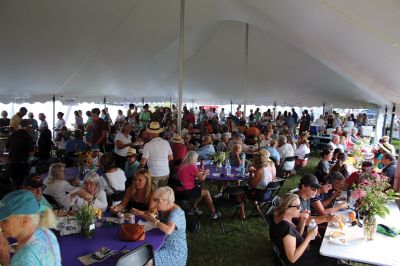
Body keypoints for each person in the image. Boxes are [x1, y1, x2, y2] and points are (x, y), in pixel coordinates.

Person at [270, 193, 337, 266]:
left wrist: (302, 222)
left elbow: (297, 236)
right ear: (287, 209)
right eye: (298, 207)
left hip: (303, 252)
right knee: (332, 256)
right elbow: (292, 258)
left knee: (328, 250)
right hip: (299, 260)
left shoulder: (287, 220)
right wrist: (309, 237)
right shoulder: (285, 226)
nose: (300, 209)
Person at [0, 190, 61, 266]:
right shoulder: (46, 232)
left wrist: (5, 261)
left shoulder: (22, 259)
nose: (0, 224)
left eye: (4, 220)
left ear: (25, 221)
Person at [140, 187, 187, 266]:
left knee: (146, 259)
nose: (155, 204)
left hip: (174, 252)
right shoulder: (166, 209)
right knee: (142, 252)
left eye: (157, 201)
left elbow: (168, 230)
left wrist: (154, 220)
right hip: (163, 243)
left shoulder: (176, 213)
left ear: (166, 201)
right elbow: (154, 215)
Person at [177, 151, 217, 218]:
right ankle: (214, 212)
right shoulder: (192, 166)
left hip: (179, 190)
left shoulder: (182, 165)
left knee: (200, 189)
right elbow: (202, 179)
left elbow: (189, 174)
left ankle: (193, 208)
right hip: (186, 191)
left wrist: (199, 171)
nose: (197, 160)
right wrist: (205, 172)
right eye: (196, 158)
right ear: (193, 158)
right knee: (206, 192)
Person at [139, 121, 173, 190]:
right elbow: (171, 158)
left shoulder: (148, 145)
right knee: (161, 194)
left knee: (153, 194)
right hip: (165, 172)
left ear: (150, 133)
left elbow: (143, 163)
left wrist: (138, 171)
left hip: (153, 173)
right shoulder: (166, 142)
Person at [7, 119, 35, 188]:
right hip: (22, 164)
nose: (31, 127)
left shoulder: (12, 134)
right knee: (22, 184)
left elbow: (7, 147)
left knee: (14, 183)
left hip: (11, 163)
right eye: (30, 125)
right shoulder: (27, 136)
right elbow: (31, 153)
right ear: (27, 126)